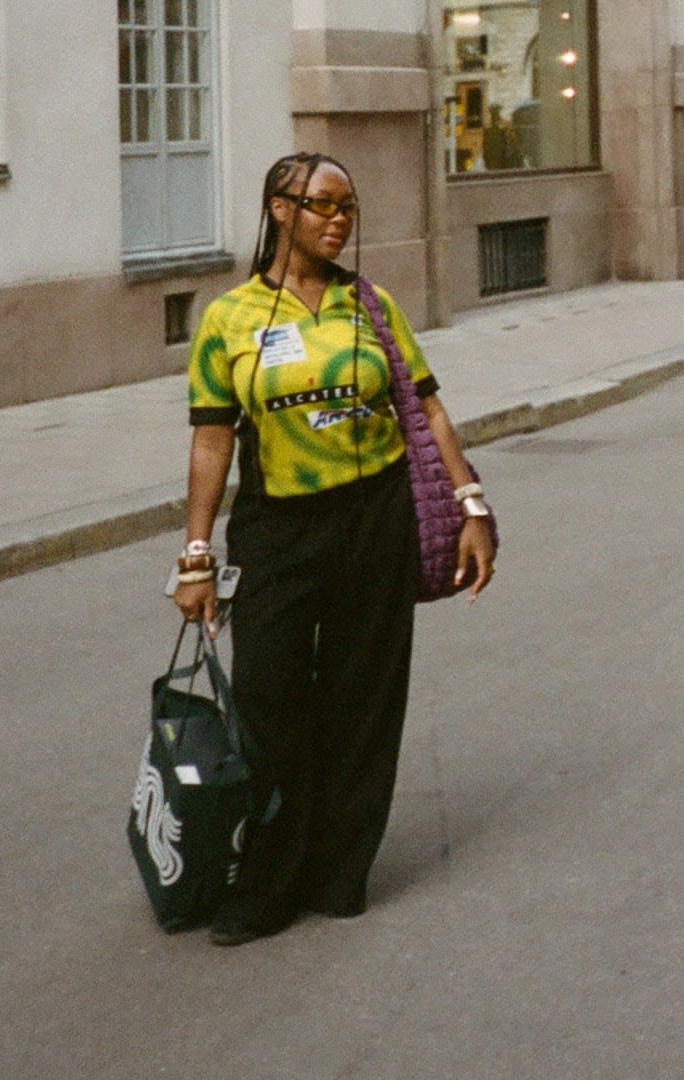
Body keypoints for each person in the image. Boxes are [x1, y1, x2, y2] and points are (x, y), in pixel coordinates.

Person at [172, 151, 498, 946]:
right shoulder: (230, 318)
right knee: (268, 703)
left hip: (374, 520)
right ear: (280, 210)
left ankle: (338, 871)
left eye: (348, 206)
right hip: (278, 530)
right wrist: (195, 555)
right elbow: (212, 440)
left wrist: (471, 505)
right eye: (323, 204)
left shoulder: (371, 306)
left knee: (363, 701)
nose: (339, 220)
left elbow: (429, 410)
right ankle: (268, 880)